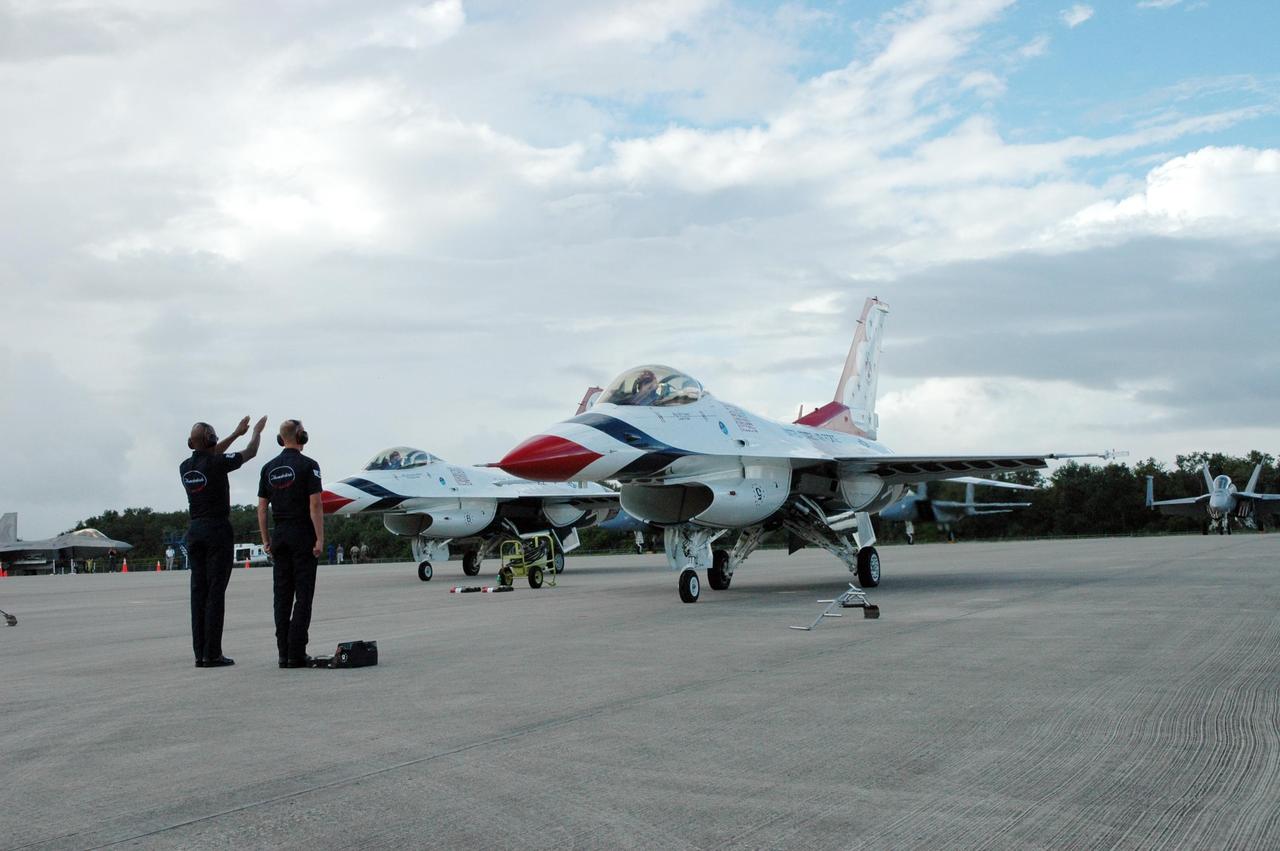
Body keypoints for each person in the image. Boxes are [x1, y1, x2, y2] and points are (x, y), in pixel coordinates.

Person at [180, 416, 266, 668]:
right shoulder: (217, 463)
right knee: (215, 593)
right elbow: (250, 453)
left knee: (198, 593)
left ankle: (200, 654)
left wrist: (235, 433)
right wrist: (255, 433)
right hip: (216, 530)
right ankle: (213, 654)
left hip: (194, 531)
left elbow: (209, 454)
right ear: (211, 440)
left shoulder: (185, 466)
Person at [257, 419, 324, 669]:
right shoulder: (309, 466)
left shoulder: (268, 468)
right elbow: (315, 505)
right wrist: (319, 538)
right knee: (303, 596)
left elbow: (262, 508)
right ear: (301, 435)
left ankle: (283, 653)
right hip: (302, 534)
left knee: (281, 596)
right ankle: (297, 652)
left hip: (280, 535)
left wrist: (266, 540)